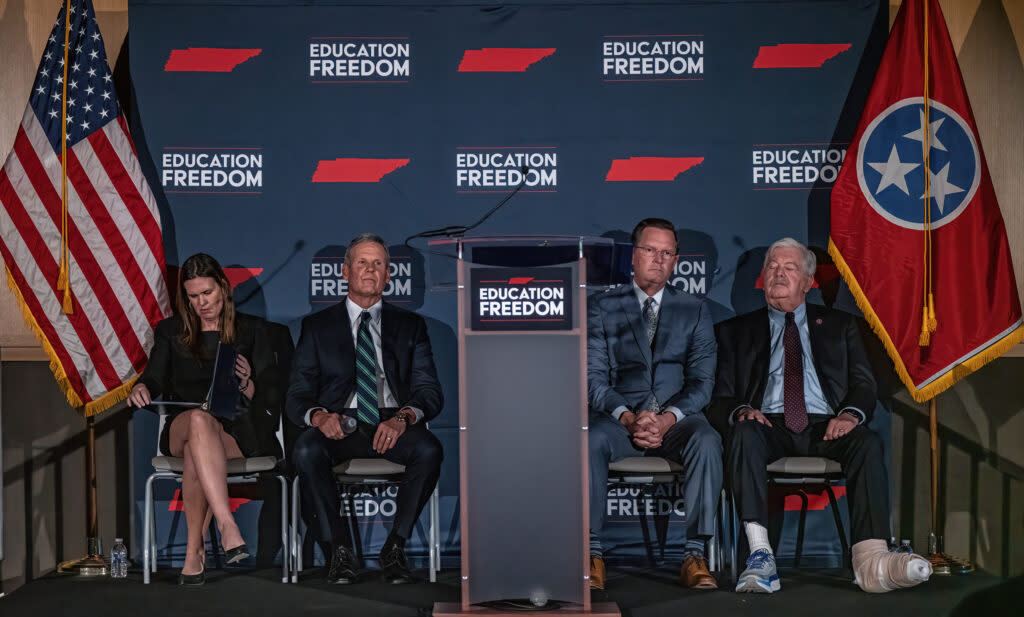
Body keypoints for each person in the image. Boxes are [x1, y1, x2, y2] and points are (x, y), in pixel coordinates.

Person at [708, 238, 932, 593]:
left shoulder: (842, 326)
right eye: (772, 267)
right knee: (743, 432)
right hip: (767, 424)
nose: (778, 274)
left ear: (809, 281)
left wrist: (849, 415)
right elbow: (718, 396)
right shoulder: (733, 332)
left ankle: (871, 560)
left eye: (789, 268)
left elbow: (863, 384)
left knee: (868, 443)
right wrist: (743, 411)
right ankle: (760, 554)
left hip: (826, 424)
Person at [287, 233, 443, 585]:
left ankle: (395, 546)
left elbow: (429, 391)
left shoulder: (411, 326)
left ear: (389, 276)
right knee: (307, 449)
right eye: (362, 262)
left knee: (430, 449)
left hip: (393, 421)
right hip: (340, 425)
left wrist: (403, 418)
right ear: (345, 272)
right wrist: (319, 416)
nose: (370, 270)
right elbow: (297, 395)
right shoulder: (317, 327)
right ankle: (339, 550)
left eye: (378, 264)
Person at [129, 253, 283, 586]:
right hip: (181, 427)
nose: (201, 303)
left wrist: (248, 383)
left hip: (235, 430)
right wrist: (141, 386)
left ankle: (193, 552)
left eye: (207, 294)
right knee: (198, 421)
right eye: (193, 296)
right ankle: (227, 524)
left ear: (224, 289)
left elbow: (272, 395)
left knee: (197, 454)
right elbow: (154, 377)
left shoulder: (252, 331)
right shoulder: (171, 331)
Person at [587, 218, 722, 590]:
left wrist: (666, 418)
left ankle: (695, 553)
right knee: (588, 439)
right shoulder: (601, 307)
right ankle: (591, 553)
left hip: (677, 421)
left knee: (708, 440)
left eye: (667, 253)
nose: (658, 259)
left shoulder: (694, 308)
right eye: (650, 250)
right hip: (618, 419)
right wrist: (629, 417)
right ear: (633, 255)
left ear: (676, 260)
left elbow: (702, 381)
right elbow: (593, 379)